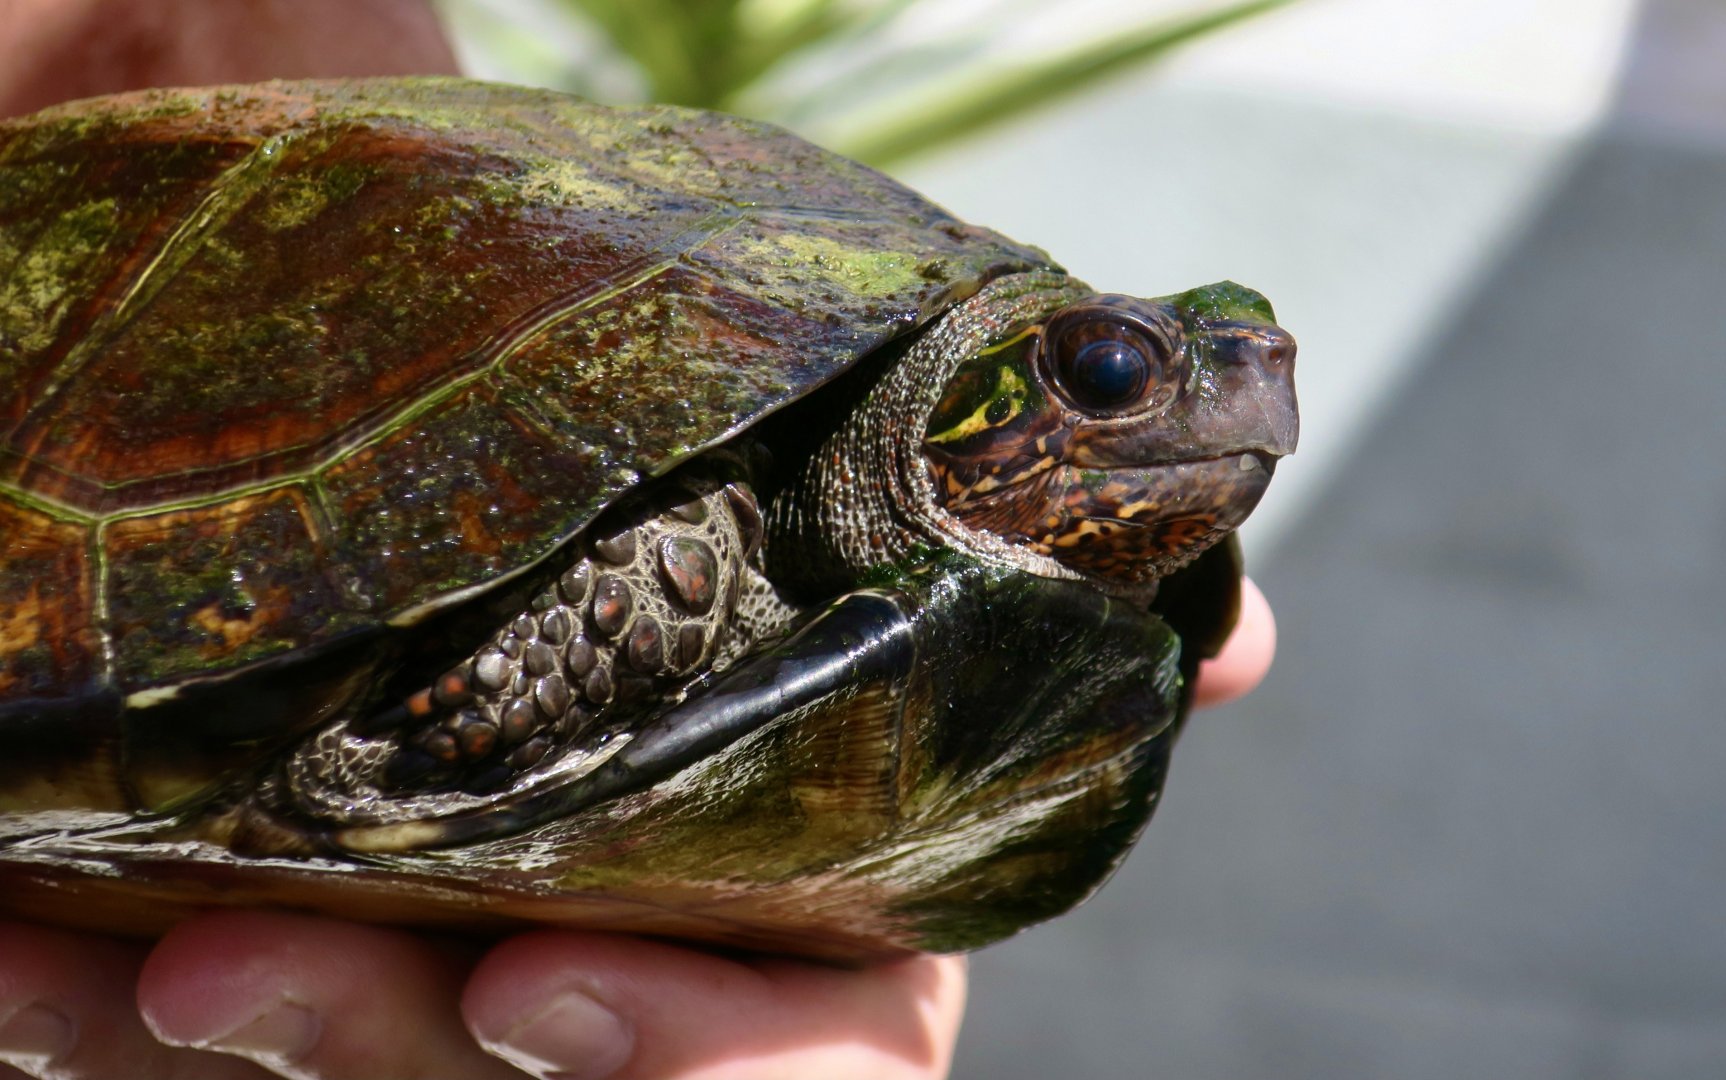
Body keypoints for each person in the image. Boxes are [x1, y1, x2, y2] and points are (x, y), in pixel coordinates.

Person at [0, 2, 1280, 1075]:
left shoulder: (1079, 612)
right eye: (1109, 370)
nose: (1251, 389)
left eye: (1254, 363)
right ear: (957, 401)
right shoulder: (697, 536)